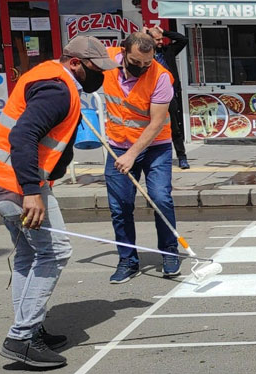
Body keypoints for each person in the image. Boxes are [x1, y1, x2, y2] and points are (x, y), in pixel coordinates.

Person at [0, 36, 118, 368]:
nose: (99, 75)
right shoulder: (57, 90)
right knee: (56, 251)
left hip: (1, 178)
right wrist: (31, 192)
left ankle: (30, 329)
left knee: (30, 253)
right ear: (74, 63)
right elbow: (23, 135)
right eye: (94, 69)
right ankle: (22, 338)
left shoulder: (51, 75)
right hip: (16, 186)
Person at [101, 32, 180, 284]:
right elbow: (76, 55)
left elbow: (157, 123)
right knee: (120, 207)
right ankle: (127, 260)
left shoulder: (161, 77)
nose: (143, 68)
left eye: (148, 62)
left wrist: (132, 155)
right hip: (118, 145)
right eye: (137, 62)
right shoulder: (108, 58)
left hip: (155, 147)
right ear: (123, 52)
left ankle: (169, 252)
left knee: (160, 198)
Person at [146, 24, 190, 169]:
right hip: (150, 96)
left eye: (161, 39)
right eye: (157, 40)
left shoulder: (168, 51)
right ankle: (150, 156)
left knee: (175, 127)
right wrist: (142, 35)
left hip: (169, 94)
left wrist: (164, 32)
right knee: (151, 126)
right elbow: (127, 46)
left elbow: (183, 39)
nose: (160, 42)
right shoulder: (144, 54)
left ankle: (182, 157)